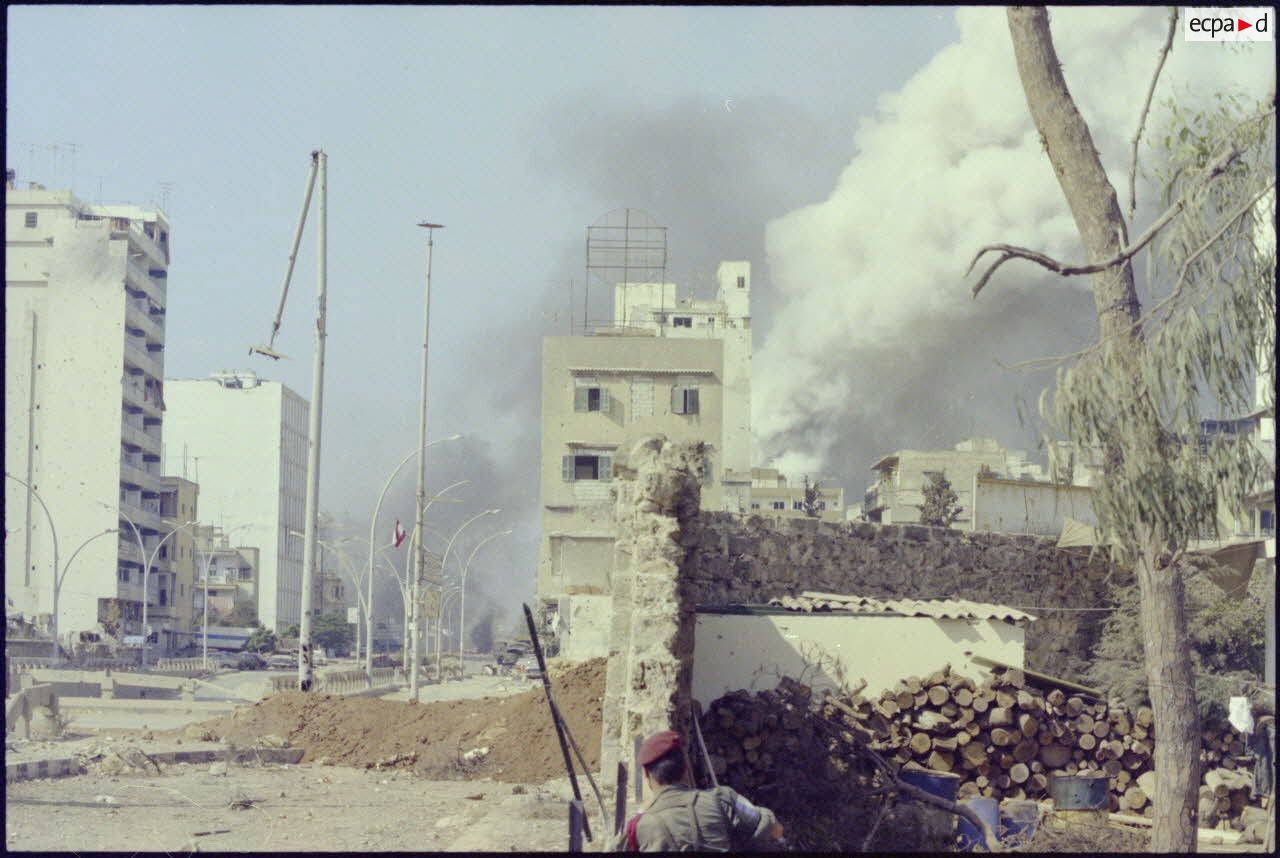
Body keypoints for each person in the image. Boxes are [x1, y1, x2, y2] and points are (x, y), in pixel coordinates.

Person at [622, 729, 784, 852]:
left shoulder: (636, 829)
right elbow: (775, 830)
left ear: (645, 774)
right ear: (686, 768)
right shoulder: (724, 799)